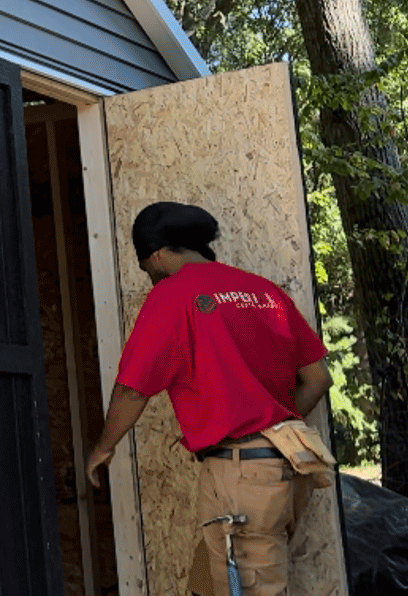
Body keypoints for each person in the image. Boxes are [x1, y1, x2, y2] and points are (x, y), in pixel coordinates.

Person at [85, 202, 333, 596]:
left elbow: (132, 389)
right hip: (286, 466)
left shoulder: (172, 296)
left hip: (241, 476)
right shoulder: (263, 291)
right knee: (209, 580)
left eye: (144, 265)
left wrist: (103, 446)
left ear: (158, 254)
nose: (146, 274)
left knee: (251, 586)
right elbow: (318, 378)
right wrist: (270, 428)